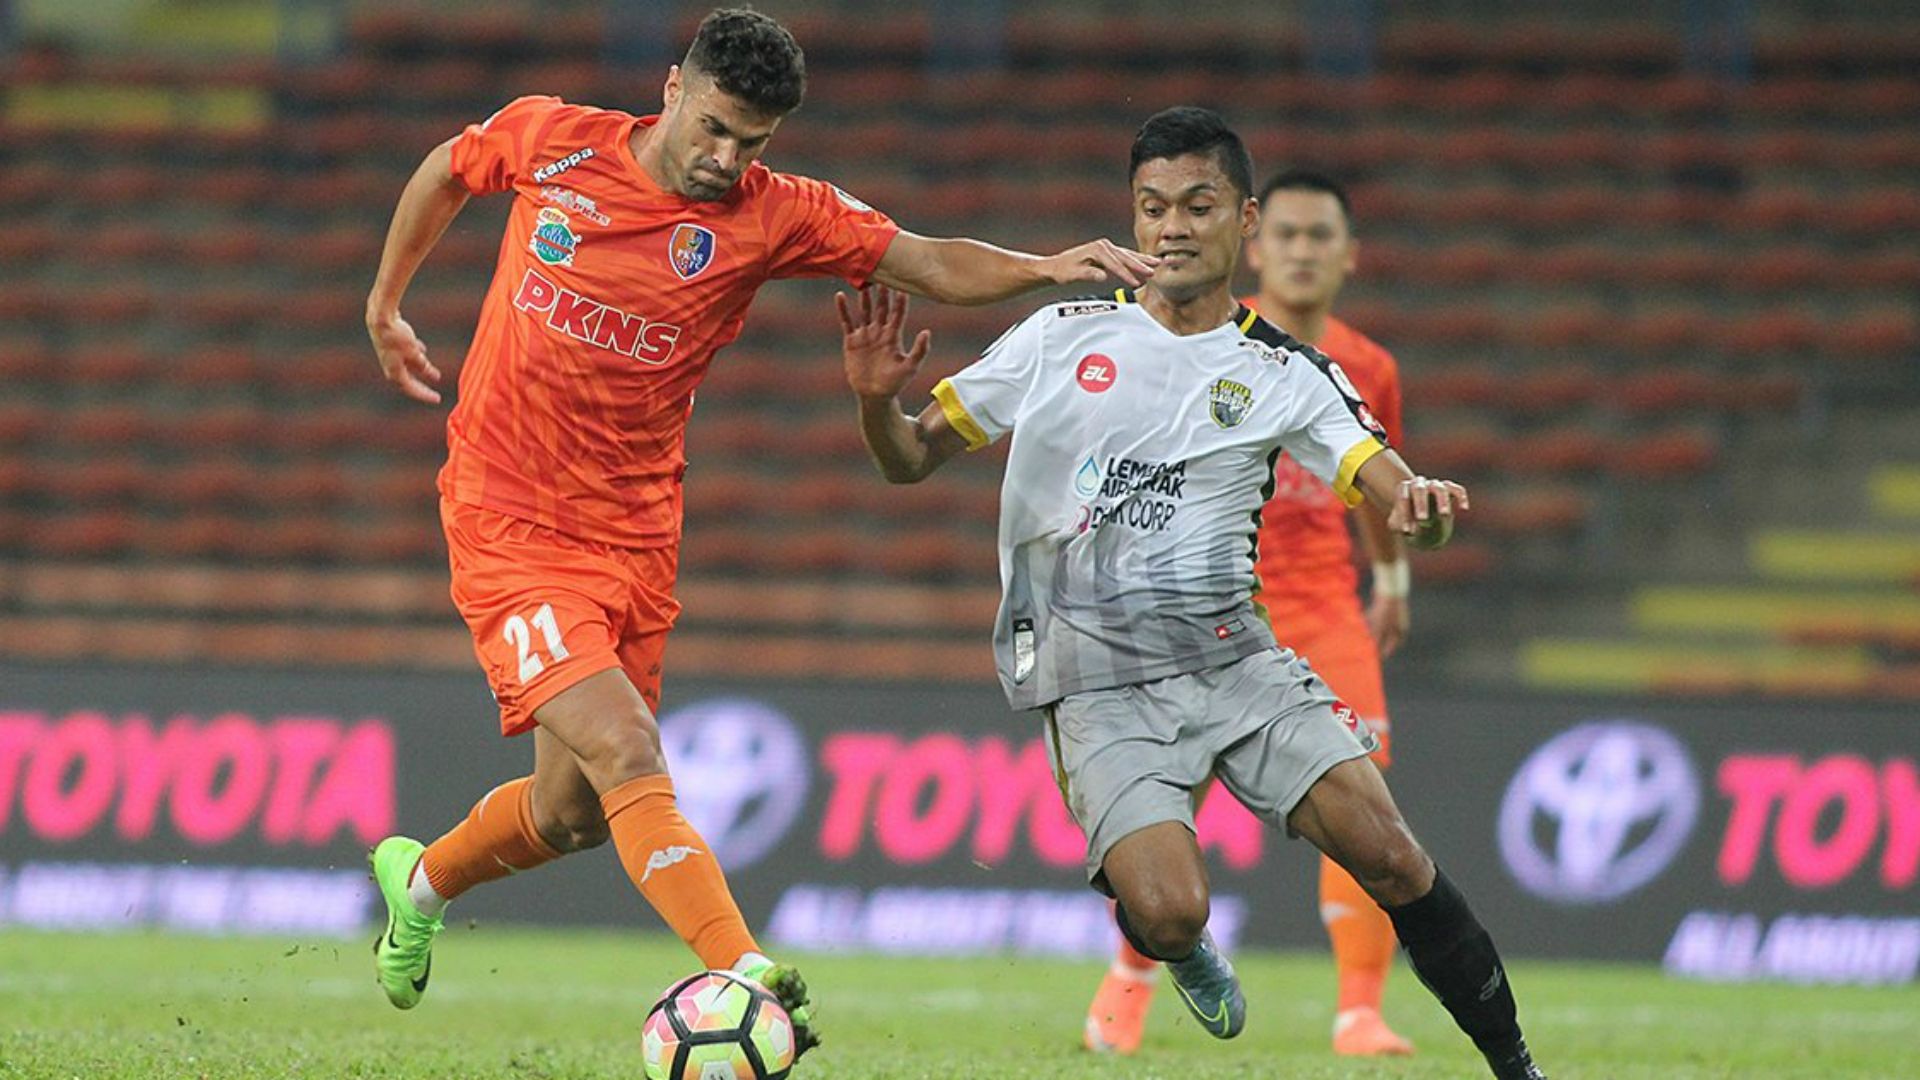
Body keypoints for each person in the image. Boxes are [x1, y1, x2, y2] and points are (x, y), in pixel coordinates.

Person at [359, 8, 1157, 1056]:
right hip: (507, 516)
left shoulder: (774, 215)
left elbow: (924, 259)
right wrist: (386, 302)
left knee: (573, 812)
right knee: (629, 746)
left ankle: (419, 882)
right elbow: (448, 170)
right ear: (675, 86)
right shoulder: (554, 141)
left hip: (635, 534)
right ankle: (741, 965)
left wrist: (1048, 268)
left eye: (755, 143)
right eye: (718, 129)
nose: (728, 158)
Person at [837, 107, 1546, 1079]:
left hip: (1233, 656)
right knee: (1170, 910)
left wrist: (1420, 506)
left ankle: (1517, 1066)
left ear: (1242, 221)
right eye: (1152, 206)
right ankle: (1178, 950)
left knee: (1392, 855)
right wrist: (879, 405)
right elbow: (912, 460)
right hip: (1092, 674)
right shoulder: (1058, 337)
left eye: (1197, 205)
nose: (1171, 227)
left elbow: (1385, 479)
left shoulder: (1285, 372)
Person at [1083, 169, 1418, 1058]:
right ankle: (1127, 986)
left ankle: (1360, 1011)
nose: (1304, 252)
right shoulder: (1198, 346)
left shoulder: (1368, 366)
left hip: (1320, 607)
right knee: (1170, 799)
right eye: (1291, 235)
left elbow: (1376, 482)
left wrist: (1393, 583)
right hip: (1207, 612)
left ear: (1349, 257)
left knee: (1367, 793)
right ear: (1257, 243)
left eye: (1323, 238)